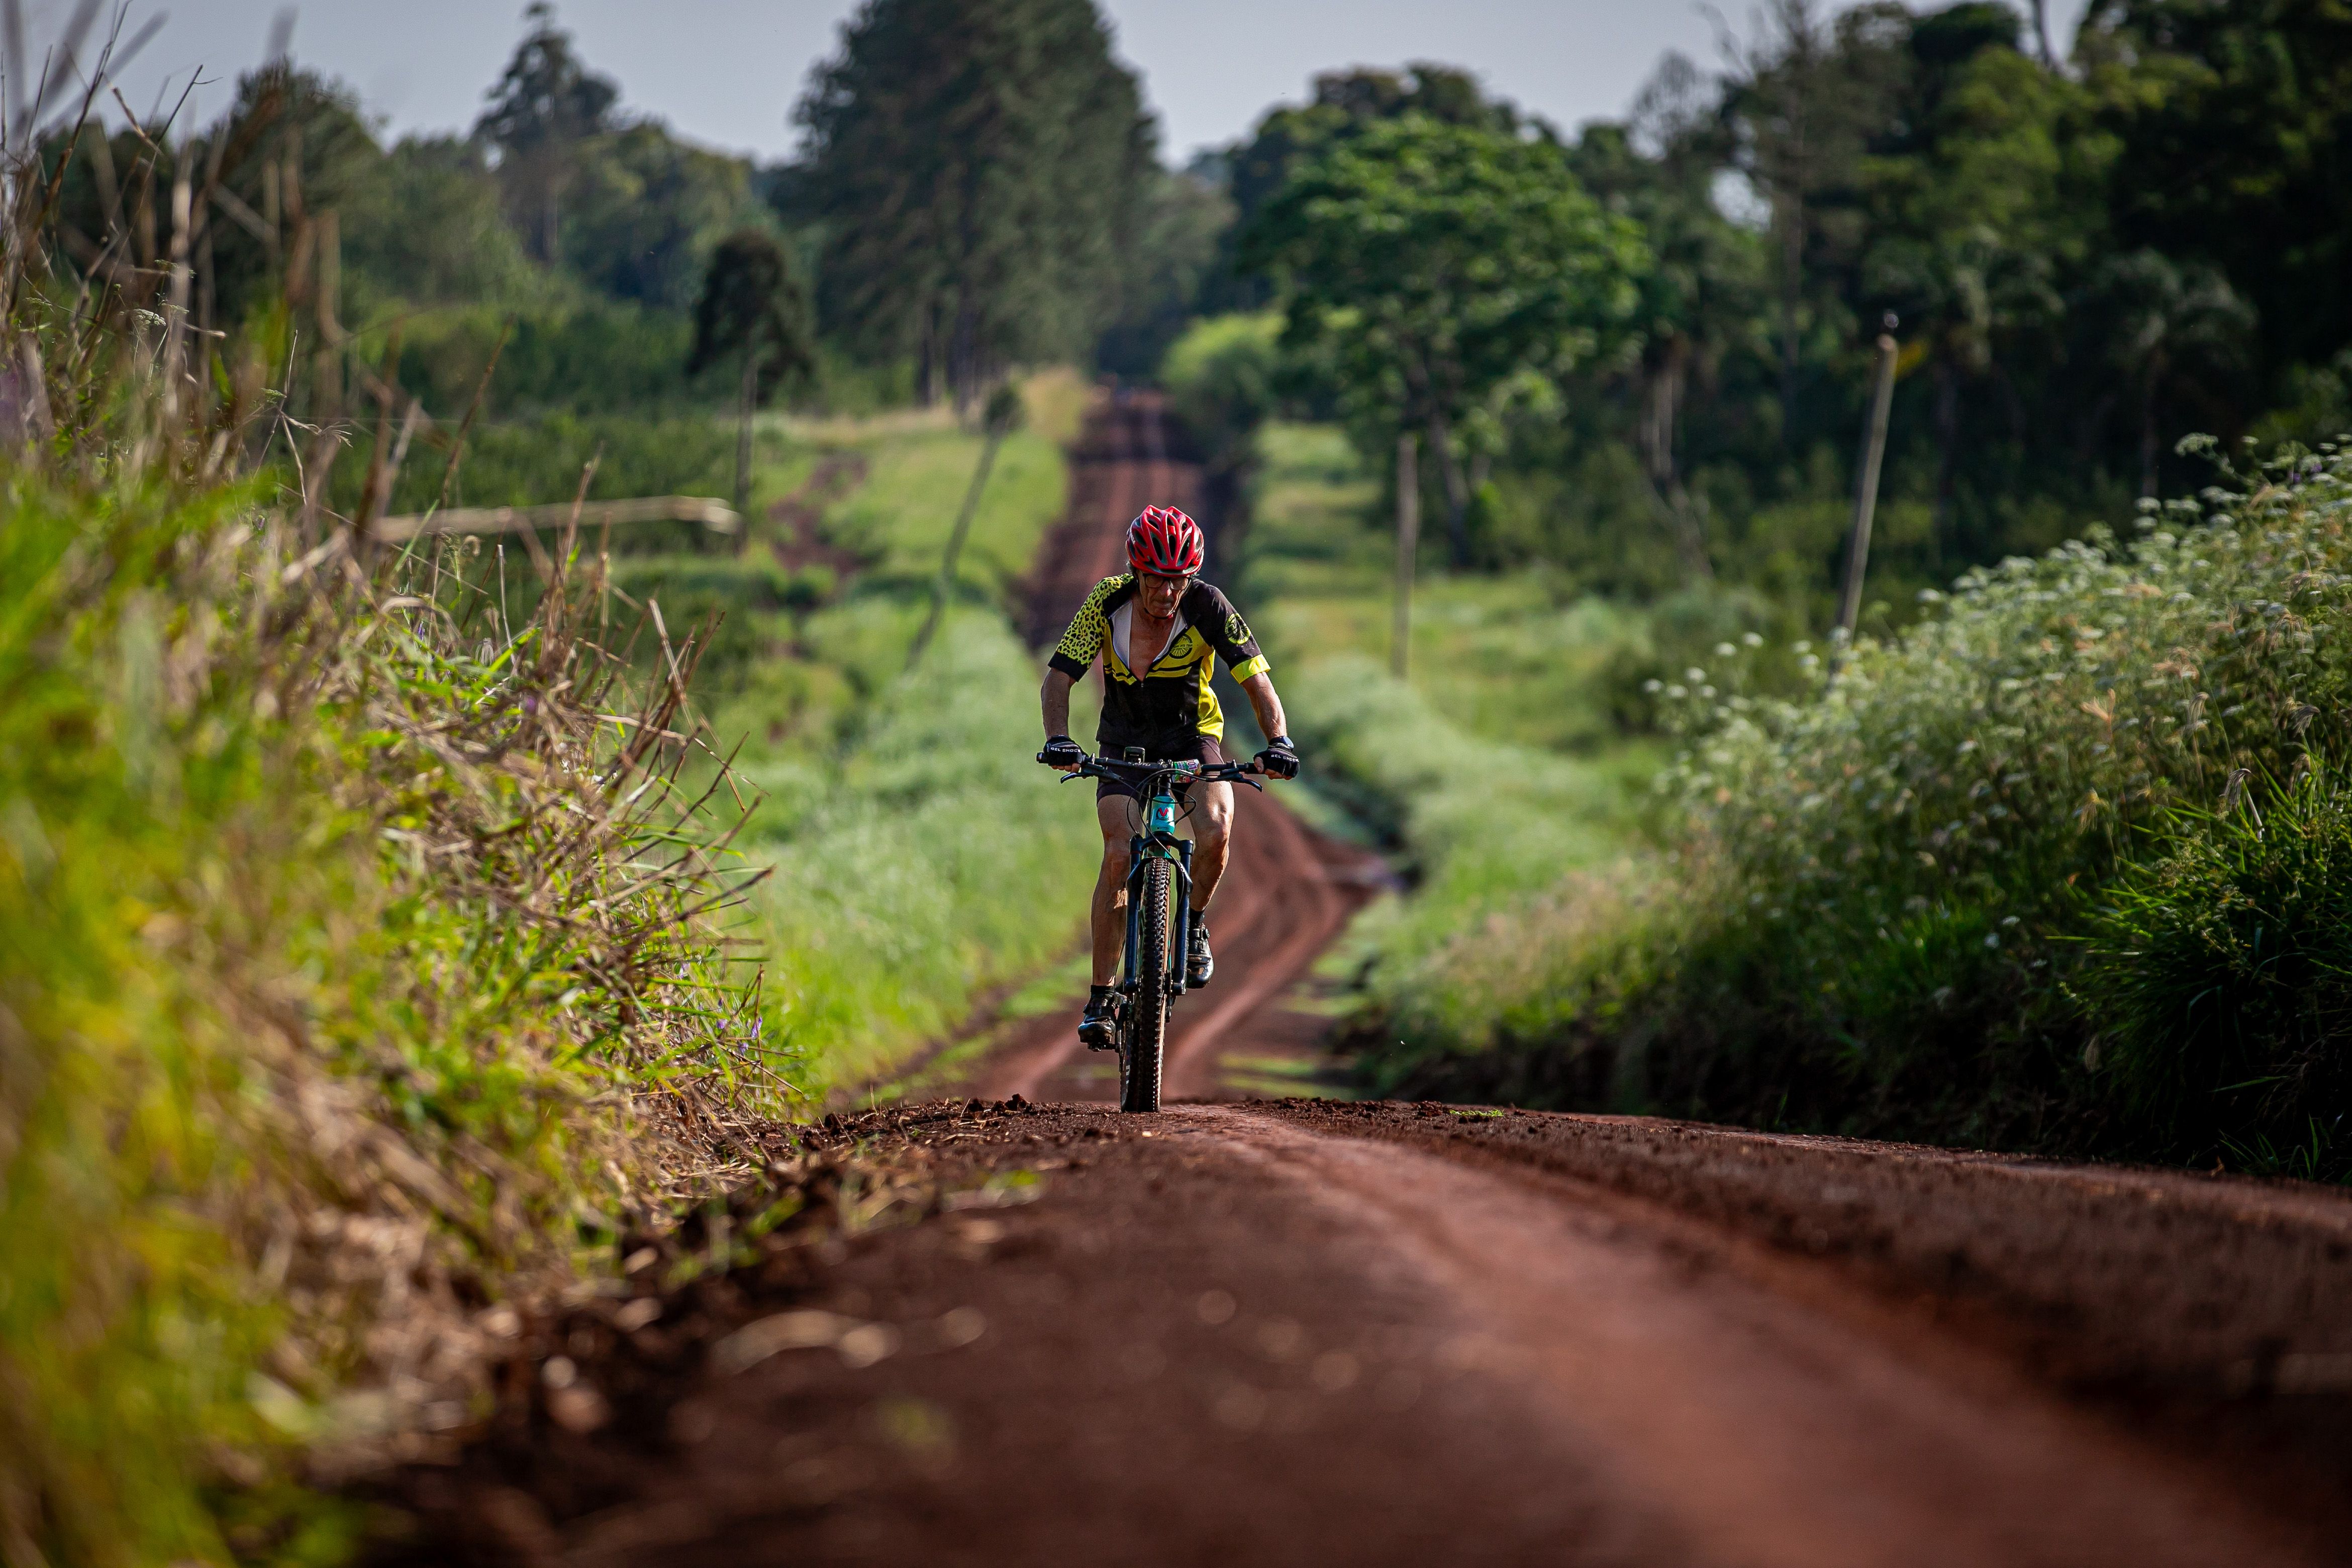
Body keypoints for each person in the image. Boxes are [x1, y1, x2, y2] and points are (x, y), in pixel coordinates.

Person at [1037, 505, 1300, 1047]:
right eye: (1156, 579)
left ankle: (1195, 923)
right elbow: (1059, 679)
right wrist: (1059, 738)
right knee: (1117, 853)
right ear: (1135, 572)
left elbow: (1257, 682)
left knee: (1217, 826)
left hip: (1192, 738)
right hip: (1123, 743)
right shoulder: (1106, 602)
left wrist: (1279, 742)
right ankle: (1101, 997)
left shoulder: (1208, 605)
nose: (1167, 592)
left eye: (1179, 579)